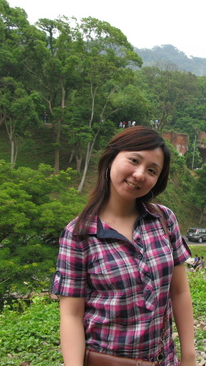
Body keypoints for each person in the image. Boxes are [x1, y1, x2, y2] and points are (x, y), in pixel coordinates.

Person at [52, 126, 197, 366]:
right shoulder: (78, 234)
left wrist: (189, 356)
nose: (140, 174)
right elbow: (71, 315)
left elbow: (179, 291)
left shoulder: (163, 219)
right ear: (111, 158)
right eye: (134, 160)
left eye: (152, 170)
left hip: (164, 359)